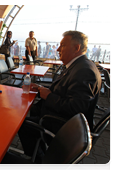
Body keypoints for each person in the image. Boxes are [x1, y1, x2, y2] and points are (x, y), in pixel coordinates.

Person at [18, 30, 102, 163]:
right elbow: (65, 91)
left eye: (62, 45)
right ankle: (38, 151)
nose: (58, 49)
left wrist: (49, 96)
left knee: (23, 125)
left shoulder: (84, 71)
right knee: (31, 110)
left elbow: (77, 108)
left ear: (76, 48)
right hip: (58, 115)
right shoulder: (76, 66)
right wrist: (41, 90)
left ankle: (40, 161)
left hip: (64, 126)